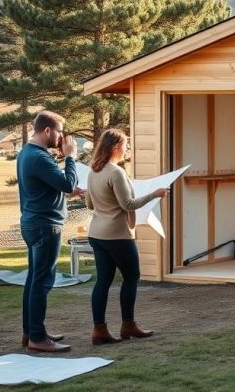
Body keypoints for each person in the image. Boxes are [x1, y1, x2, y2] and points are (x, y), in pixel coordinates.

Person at [85, 128, 169, 345]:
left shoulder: (93, 171)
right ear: (116, 147)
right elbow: (128, 205)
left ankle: (99, 329)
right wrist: (154, 194)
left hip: (96, 233)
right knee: (132, 277)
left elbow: (89, 204)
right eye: (125, 145)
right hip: (118, 235)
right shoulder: (115, 172)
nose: (126, 149)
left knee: (103, 281)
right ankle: (128, 325)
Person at [17, 111, 84, 352]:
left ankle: (32, 331)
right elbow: (66, 183)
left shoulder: (27, 152)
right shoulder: (40, 157)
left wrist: (68, 188)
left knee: (34, 279)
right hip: (46, 225)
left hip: (32, 223)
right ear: (47, 131)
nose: (61, 138)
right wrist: (70, 157)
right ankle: (37, 338)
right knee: (43, 282)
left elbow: (54, 184)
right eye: (58, 132)